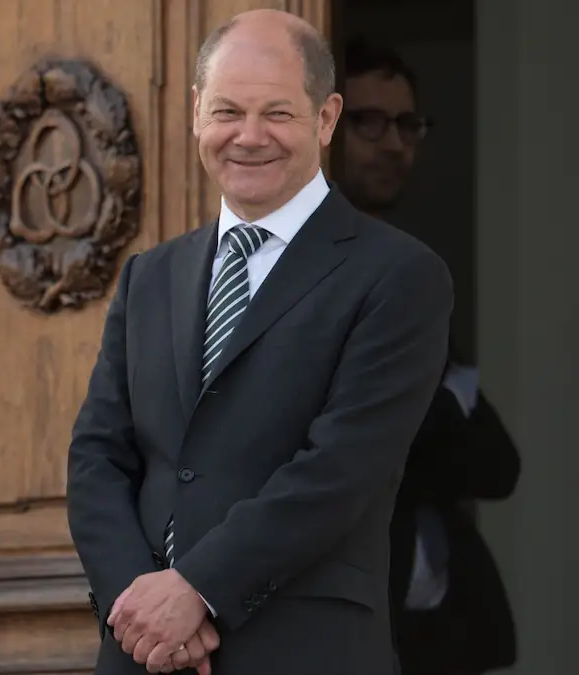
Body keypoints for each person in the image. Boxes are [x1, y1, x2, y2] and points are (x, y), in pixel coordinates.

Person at [66, 9, 453, 675]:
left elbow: (340, 468)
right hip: (145, 656)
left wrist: (197, 588)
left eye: (277, 113)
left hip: (302, 648)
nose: (248, 136)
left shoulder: (399, 275)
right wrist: (142, 606)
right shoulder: (149, 277)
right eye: (226, 111)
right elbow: (97, 457)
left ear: (326, 119)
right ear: (195, 114)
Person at [340, 38, 520, 675]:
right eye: (369, 122)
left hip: (437, 631)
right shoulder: (300, 278)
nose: (394, 143)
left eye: (407, 124)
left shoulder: (411, 275)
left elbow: (496, 463)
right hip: (343, 624)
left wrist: (423, 428)